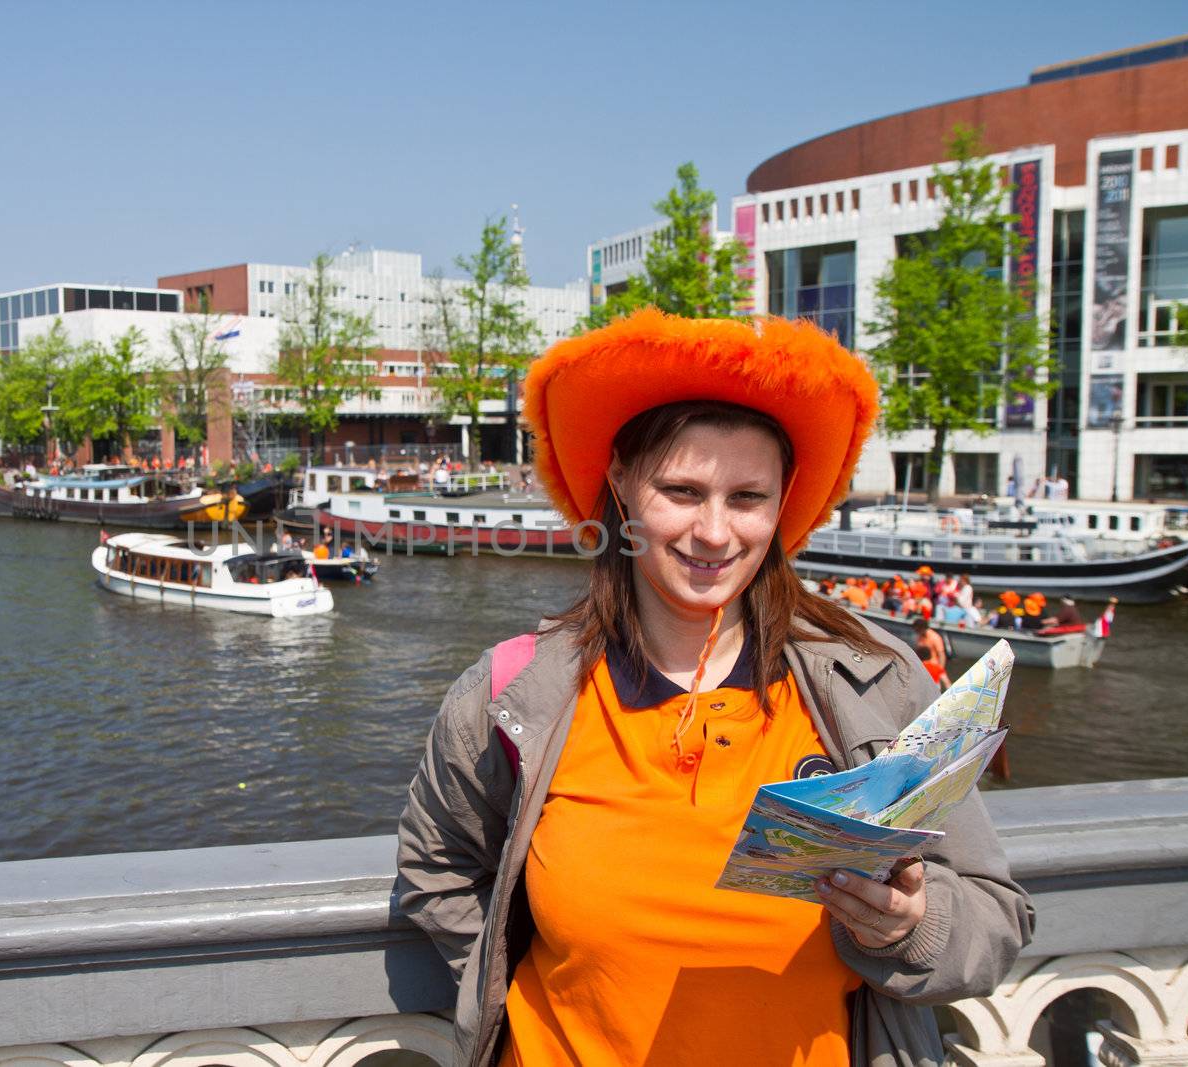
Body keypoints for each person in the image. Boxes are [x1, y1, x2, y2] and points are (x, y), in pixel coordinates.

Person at [394, 311, 1031, 1067]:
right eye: (683, 490)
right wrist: (511, 981)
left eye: (747, 498)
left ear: (784, 500)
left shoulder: (875, 679)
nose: (715, 532)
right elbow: (435, 865)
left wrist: (908, 925)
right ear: (622, 484)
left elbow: (997, 920)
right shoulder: (513, 693)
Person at [911, 616, 949, 689]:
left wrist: (940, 670)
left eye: (917, 630)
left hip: (933, 668)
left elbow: (942, 655)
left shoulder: (935, 637)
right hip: (923, 668)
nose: (916, 632)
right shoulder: (920, 637)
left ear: (922, 628)